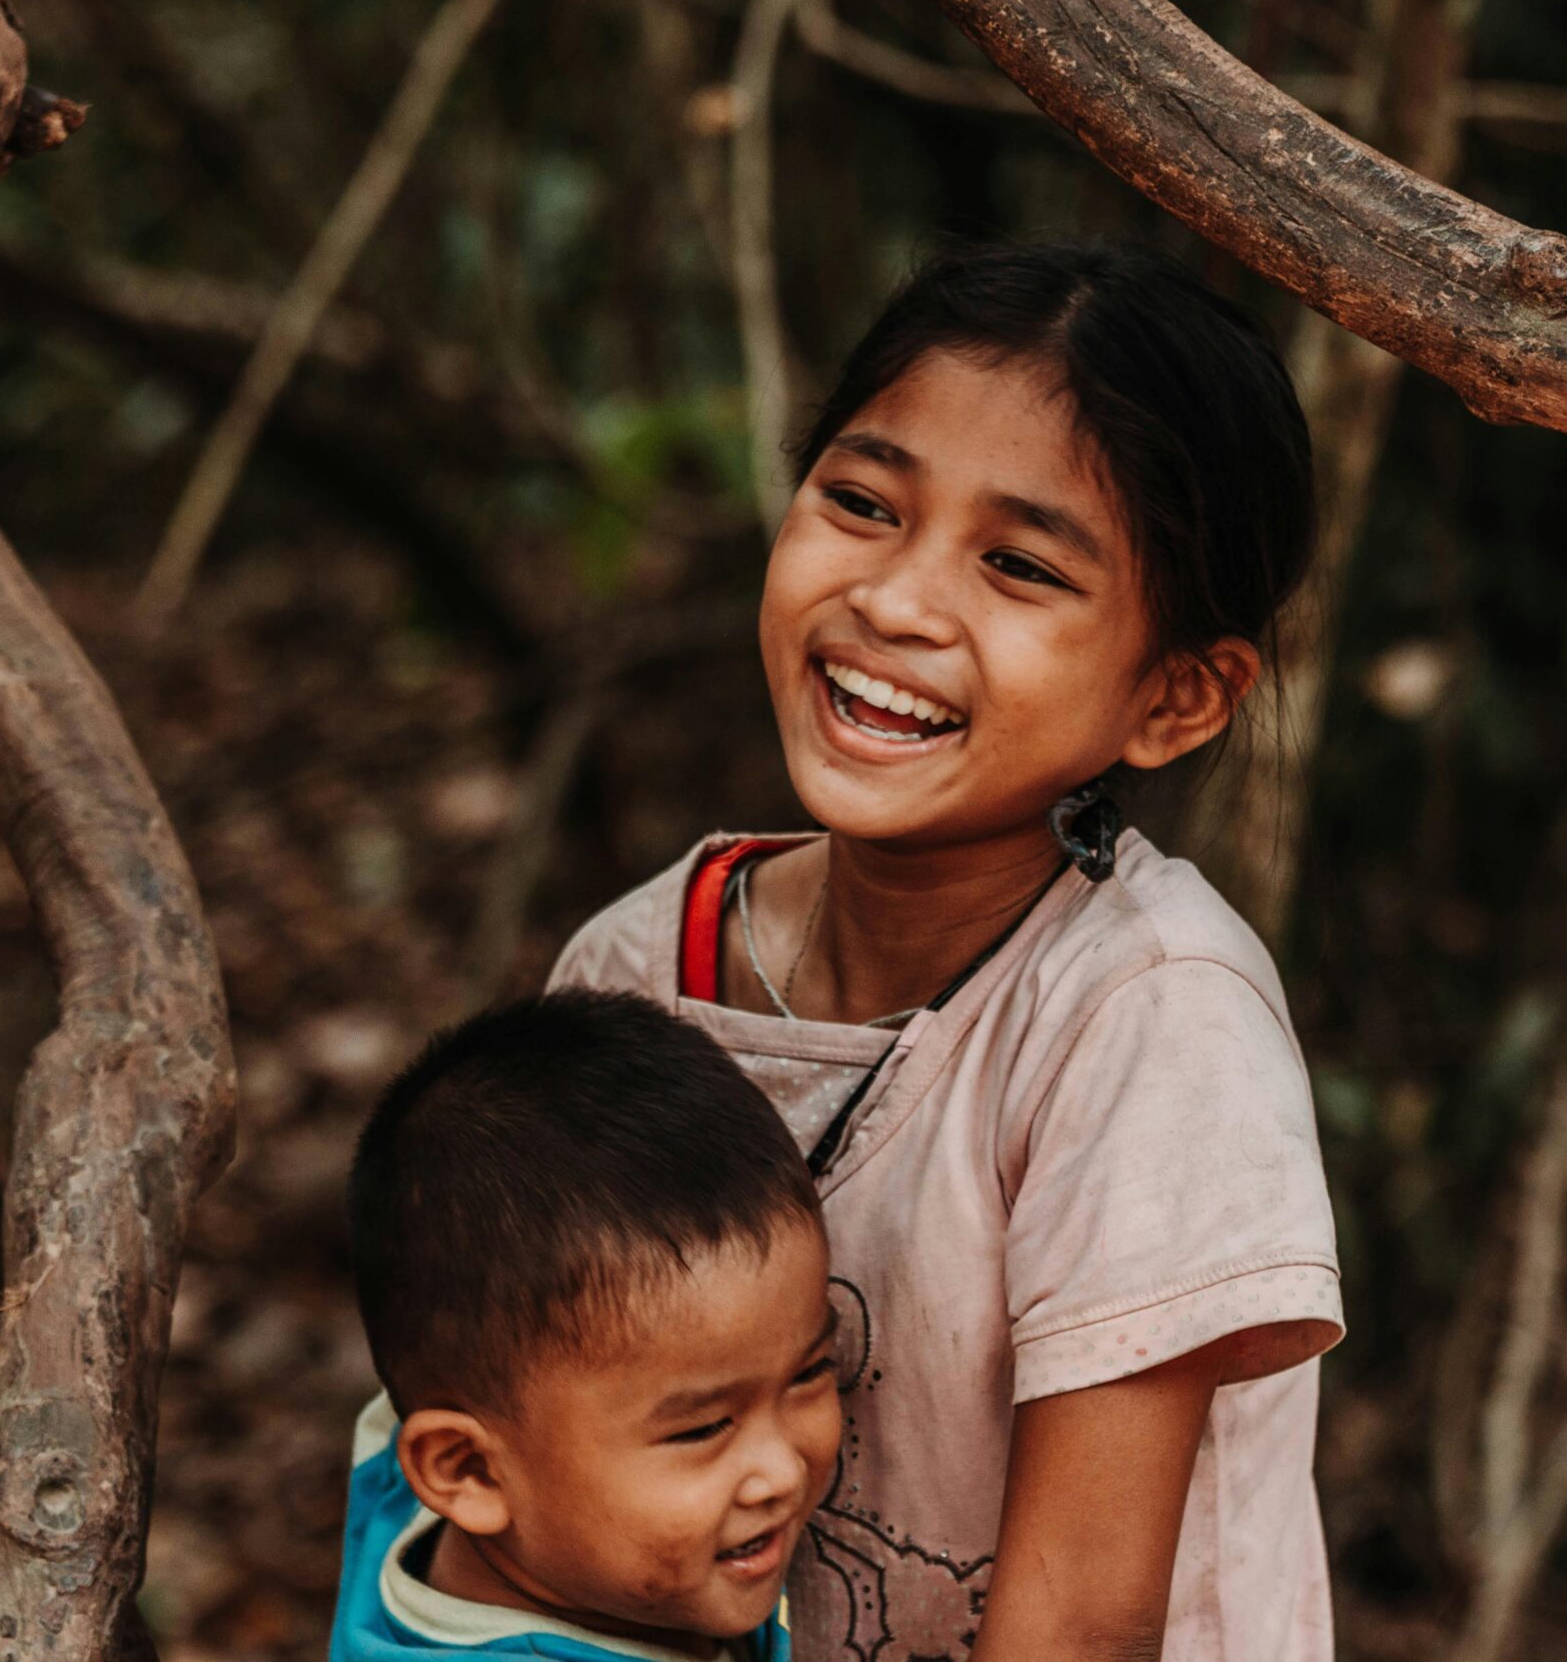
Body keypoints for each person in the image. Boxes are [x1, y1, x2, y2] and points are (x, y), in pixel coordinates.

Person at [547, 242, 1346, 1661]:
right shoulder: (634, 970)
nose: (900, 602)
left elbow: (1082, 1626)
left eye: (1019, 565)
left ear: (1175, 695)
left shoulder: (1146, 1017)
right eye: (861, 501)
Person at [333, 989, 842, 1661]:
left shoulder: (422, 1466)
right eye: (702, 1426)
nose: (780, 1471)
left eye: (808, 1372)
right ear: (470, 1470)